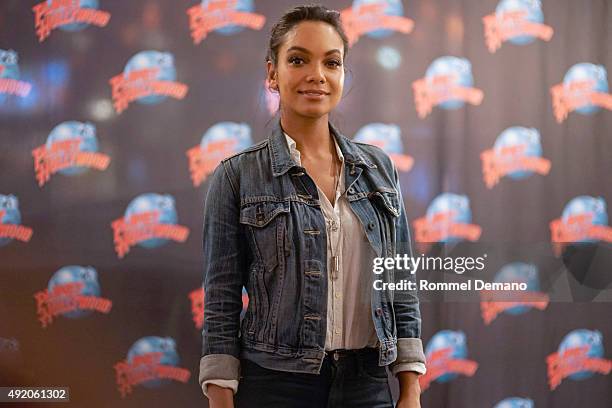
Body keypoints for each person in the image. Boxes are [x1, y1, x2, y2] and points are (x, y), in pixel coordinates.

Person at [199, 4, 425, 407]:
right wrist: (220, 399)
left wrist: (410, 387)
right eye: (298, 59)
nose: (316, 75)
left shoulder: (379, 169)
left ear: (342, 74)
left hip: (368, 385)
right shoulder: (237, 176)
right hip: (275, 385)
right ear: (272, 73)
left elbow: (400, 286)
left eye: (331, 62)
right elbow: (221, 300)